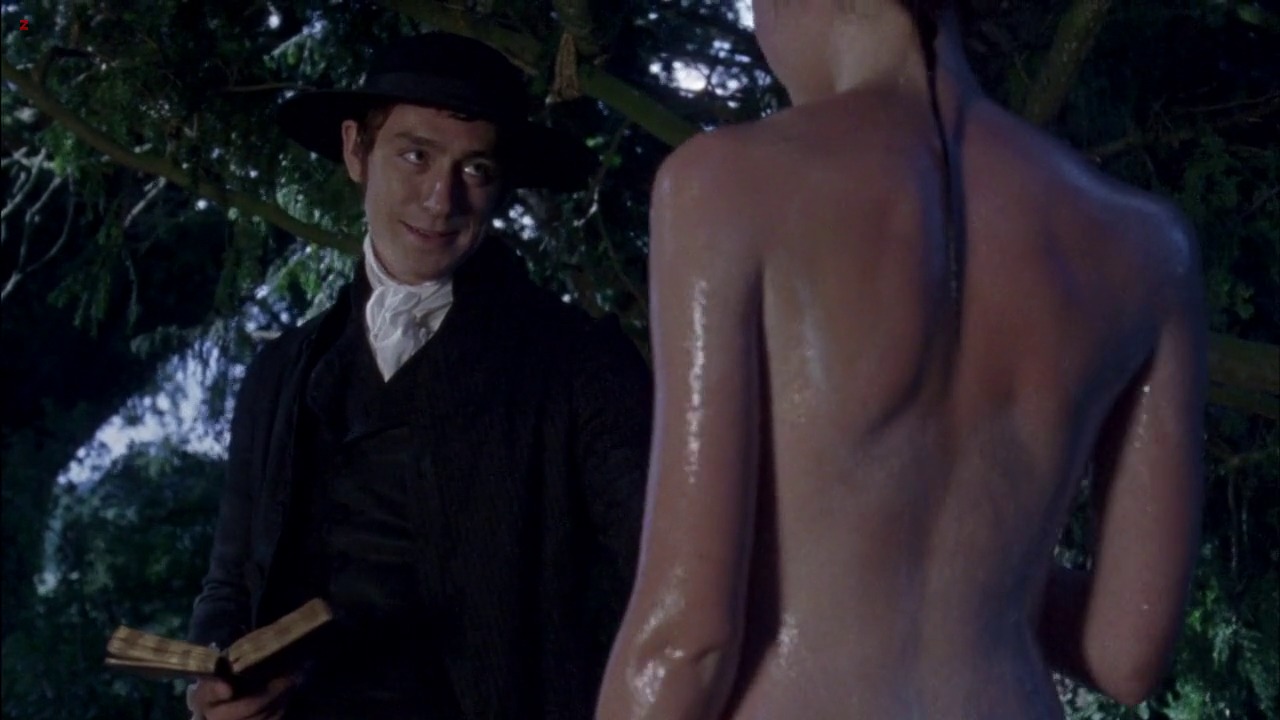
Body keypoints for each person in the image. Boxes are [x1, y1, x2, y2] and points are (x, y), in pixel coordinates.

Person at [596, 1, 1206, 718]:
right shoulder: (1150, 248)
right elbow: (1127, 652)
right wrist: (980, 580)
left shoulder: (725, 187)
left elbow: (685, 643)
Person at [185, 32, 652, 720]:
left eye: (476, 169)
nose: (441, 199)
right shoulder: (280, 373)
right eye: (415, 156)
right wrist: (215, 681)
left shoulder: (581, 366)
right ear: (356, 150)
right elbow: (230, 583)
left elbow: (659, 595)